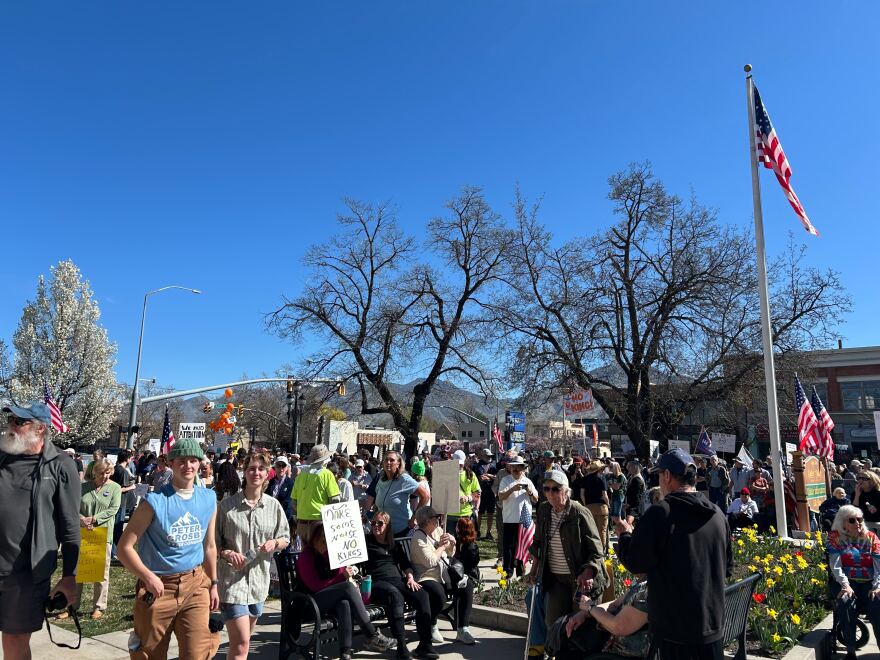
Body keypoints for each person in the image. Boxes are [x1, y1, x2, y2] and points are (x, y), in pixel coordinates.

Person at [616, 448, 732, 660]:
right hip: (712, 627)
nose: (658, 480)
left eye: (659, 475)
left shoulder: (661, 513)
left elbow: (636, 562)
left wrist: (624, 536)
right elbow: (727, 567)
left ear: (667, 475)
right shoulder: (717, 514)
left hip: (674, 631)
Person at [117, 439, 220, 660]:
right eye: (181, 461)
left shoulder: (209, 498)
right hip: (158, 588)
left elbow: (210, 546)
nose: (188, 466)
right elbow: (124, 548)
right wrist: (148, 577)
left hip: (196, 585)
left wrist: (213, 583)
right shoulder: (153, 502)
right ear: (171, 463)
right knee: (150, 654)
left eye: (193, 461)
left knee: (198, 653)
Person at [0, 402, 81, 659]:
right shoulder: (2, 458)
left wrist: (70, 577)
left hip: (25, 575)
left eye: (19, 422)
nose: (11, 426)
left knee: (14, 640)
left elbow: (69, 527)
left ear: (41, 429)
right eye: (10, 421)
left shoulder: (60, 465)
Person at [217, 451, 290, 660]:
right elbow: (214, 543)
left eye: (260, 469)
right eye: (251, 468)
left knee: (242, 643)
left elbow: (285, 538)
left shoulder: (273, 506)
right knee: (241, 643)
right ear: (244, 472)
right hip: (232, 583)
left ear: (268, 473)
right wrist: (227, 553)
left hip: (259, 583)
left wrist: (275, 543)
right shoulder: (227, 506)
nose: (255, 472)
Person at [296, 524, 396, 659]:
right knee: (347, 588)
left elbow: (341, 576)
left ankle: (345, 653)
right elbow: (315, 586)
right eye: (323, 540)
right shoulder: (306, 556)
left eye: (329, 540)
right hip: (309, 603)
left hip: (326, 599)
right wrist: (340, 578)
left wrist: (345, 569)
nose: (326, 544)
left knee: (344, 603)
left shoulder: (328, 553)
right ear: (314, 539)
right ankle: (372, 634)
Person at [524, 470, 608, 629]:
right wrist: (533, 571)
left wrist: (589, 571)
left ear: (566, 490)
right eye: (546, 489)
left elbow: (597, 550)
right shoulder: (543, 510)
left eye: (555, 489)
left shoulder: (579, 512)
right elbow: (539, 544)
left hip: (580, 578)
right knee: (554, 623)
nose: (550, 494)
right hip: (556, 578)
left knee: (580, 625)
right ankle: (557, 653)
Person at [363, 511, 436, 659]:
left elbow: (405, 564)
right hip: (377, 583)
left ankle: (425, 645)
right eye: (373, 523)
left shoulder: (393, 544)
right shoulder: (366, 541)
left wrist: (410, 577)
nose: (376, 526)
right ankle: (402, 647)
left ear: (387, 525)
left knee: (422, 595)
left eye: (380, 523)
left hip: (398, 581)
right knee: (394, 595)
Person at [58, 457, 121, 621]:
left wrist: (94, 519)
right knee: (78, 572)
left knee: (101, 572)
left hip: (102, 533)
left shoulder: (115, 488)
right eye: (102, 473)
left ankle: (99, 606)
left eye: (108, 472)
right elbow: (72, 507)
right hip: (82, 533)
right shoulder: (83, 487)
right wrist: (82, 519)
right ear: (94, 472)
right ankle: (72, 606)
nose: (105, 476)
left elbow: (113, 509)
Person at [410, 506, 477, 645]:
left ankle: (463, 629)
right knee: (439, 594)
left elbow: (450, 554)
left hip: (444, 573)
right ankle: (432, 624)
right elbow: (430, 561)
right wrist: (441, 546)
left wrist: (452, 543)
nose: (438, 520)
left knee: (467, 586)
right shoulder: (418, 537)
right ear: (428, 520)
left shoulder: (437, 531)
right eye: (436, 518)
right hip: (426, 576)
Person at [827, 505, 880, 660]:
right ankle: (851, 651)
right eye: (852, 520)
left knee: (877, 604)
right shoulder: (834, 537)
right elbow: (835, 565)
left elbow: (878, 565)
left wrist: (877, 586)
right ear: (843, 523)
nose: (857, 522)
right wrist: (845, 584)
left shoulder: (871, 537)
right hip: (846, 581)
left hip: (870, 581)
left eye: (859, 519)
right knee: (846, 604)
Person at [556, 575, 650, 660]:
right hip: (609, 643)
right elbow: (613, 605)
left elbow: (618, 627)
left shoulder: (650, 589)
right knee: (566, 637)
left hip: (623, 654)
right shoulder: (644, 580)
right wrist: (585, 613)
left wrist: (590, 607)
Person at [367, 451, 429, 538]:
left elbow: (425, 496)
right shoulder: (380, 480)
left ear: (398, 463)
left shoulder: (404, 479)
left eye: (392, 460)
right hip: (383, 533)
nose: (388, 462)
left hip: (401, 532)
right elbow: (377, 505)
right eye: (386, 460)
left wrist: (414, 518)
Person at [497, 456, 538, 577]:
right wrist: (512, 489)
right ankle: (507, 572)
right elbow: (500, 496)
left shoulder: (528, 481)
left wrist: (529, 492)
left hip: (524, 520)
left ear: (522, 468)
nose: (515, 469)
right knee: (508, 547)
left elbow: (536, 499)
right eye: (513, 467)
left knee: (523, 546)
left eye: (518, 467)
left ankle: (521, 571)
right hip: (509, 519)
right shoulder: (506, 480)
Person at [292, 444, 341, 542]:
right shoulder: (327, 474)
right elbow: (335, 499)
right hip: (319, 522)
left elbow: (294, 500)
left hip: (302, 523)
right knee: (319, 554)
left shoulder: (301, 475)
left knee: (306, 554)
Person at [576, 461, 610, 553]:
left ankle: (593, 549)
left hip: (589, 506)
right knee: (602, 530)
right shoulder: (601, 478)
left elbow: (582, 494)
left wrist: (585, 504)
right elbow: (604, 495)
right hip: (601, 506)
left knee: (591, 530)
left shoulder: (585, 479)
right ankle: (602, 551)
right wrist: (608, 504)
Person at [445, 451, 481, 533]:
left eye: (461, 463)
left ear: (464, 461)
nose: (459, 465)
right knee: (451, 542)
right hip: (450, 515)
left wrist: (467, 498)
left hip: (466, 514)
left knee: (465, 541)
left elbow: (477, 493)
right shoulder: (446, 475)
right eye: (457, 463)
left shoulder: (471, 475)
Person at [111, 449, 137, 561]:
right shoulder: (122, 471)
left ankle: (114, 552)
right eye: (130, 458)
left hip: (115, 503)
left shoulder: (115, 469)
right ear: (127, 459)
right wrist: (132, 487)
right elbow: (119, 489)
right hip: (120, 503)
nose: (131, 460)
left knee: (114, 529)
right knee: (117, 529)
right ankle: (117, 552)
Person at [474, 448, 498, 540]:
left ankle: (488, 532)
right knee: (479, 513)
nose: (489, 457)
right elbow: (480, 478)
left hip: (491, 492)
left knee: (490, 513)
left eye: (490, 456)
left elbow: (496, 477)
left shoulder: (493, 465)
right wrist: (490, 476)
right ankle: (478, 531)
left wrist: (488, 475)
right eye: (488, 456)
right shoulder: (478, 465)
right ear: (483, 456)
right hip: (480, 492)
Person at [266, 456, 295, 523]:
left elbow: (287, 503)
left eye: (283, 466)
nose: (281, 469)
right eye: (278, 466)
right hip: (270, 518)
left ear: (287, 468)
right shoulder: (270, 482)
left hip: (284, 519)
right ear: (275, 467)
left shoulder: (290, 483)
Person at [624, 461, 646, 525]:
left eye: (629, 468)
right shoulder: (633, 477)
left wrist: (629, 505)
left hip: (635, 507)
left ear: (634, 468)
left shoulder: (637, 479)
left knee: (629, 523)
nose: (628, 469)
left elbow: (636, 495)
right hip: (632, 505)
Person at [606, 461, 627, 526]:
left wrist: (609, 484)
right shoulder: (612, 475)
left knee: (617, 516)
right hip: (614, 496)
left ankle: (625, 528)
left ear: (615, 467)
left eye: (611, 467)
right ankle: (621, 528)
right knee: (613, 515)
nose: (610, 468)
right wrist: (610, 484)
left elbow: (616, 487)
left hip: (619, 496)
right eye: (609, 467)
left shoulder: (621, 476)